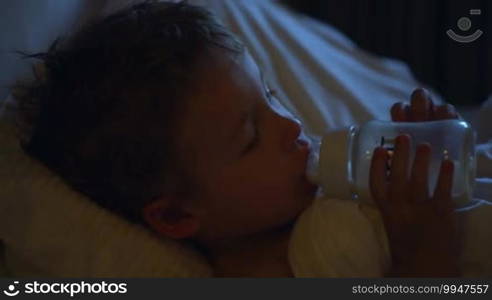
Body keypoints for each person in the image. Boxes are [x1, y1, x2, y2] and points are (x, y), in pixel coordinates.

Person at [12, 0, 461, 277]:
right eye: (250, 139)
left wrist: (429, 149)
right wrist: (425, 256)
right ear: (175, 214)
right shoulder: (266, 272)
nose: (289, 126)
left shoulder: (307, 186)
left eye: (269, 94)